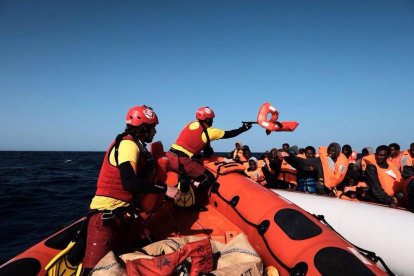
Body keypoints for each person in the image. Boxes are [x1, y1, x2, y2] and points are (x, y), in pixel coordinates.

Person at [82, 105, 180, 274]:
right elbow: (130, 182)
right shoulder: (128, 146)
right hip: (106, 217)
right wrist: (165, 189)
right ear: (143, 128)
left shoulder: (137, 145)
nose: (155, 132)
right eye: (153, 127)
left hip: (124, 215)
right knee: (94, 271)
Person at [166, 106, 252, 206]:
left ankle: (188, 182)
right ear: (208, 119)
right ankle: (194, 202)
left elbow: (196, 142)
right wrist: (243, 128)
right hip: (181, 160)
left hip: (169, 155)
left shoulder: (190, 124)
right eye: (211, 119)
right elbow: (229, 134)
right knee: (208, 178)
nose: (212, 121)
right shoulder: (210, 132)